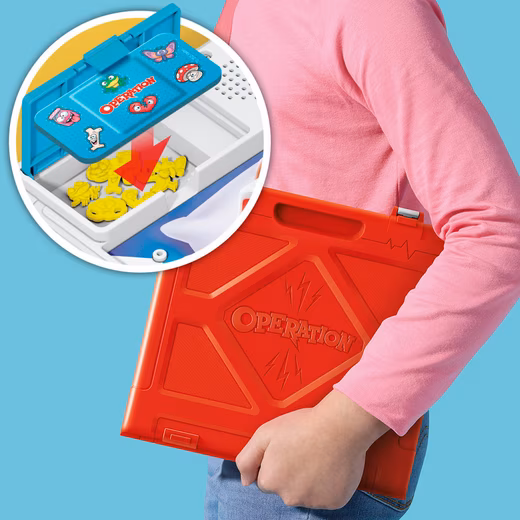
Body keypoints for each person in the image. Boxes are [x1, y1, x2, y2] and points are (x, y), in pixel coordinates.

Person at [205, 1, 520, 518]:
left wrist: (344, 424)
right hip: (241, 400)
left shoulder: (375, 10)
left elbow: (497, 228)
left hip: (323, 427)